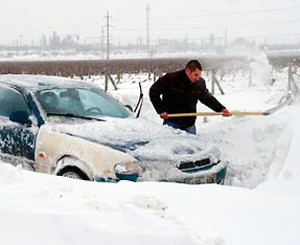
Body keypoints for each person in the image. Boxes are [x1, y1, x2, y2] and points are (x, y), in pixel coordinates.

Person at [149, 60, 230, 134]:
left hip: (189, 124)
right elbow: (153, 91)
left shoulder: (199, 83)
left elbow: (207, 99)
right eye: (195, 75)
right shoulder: (171, 78)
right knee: (171, 148)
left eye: (199, 75)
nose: (197, 78)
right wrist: (161, 110)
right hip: (172, 122)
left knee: (191, 148)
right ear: (188, 71)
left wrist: (221, 109)